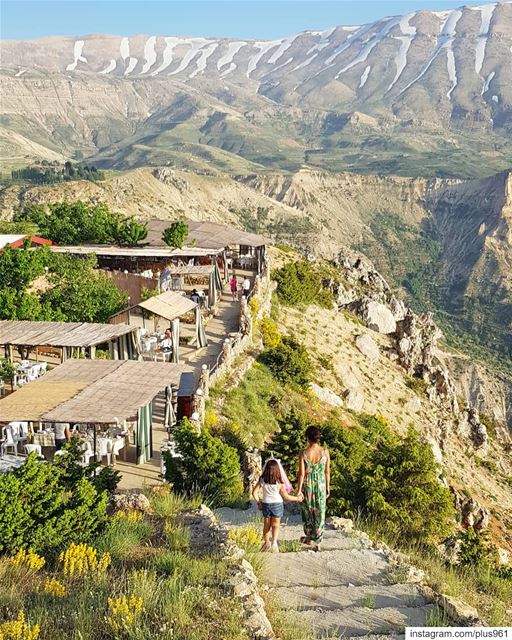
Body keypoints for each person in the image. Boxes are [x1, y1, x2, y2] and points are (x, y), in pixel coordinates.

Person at [252, 459, 303, 552]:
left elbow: (254, 492)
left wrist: (258, 502)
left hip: (266, 504)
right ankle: (274, 542)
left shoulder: (262, 480)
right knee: (276, 525)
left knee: (266, 525)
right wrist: (297, 498)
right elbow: (286, 497)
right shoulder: (279, 482)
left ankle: (266, 542)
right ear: (277, 470)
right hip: (277, 504)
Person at [296, 426, 330, 551]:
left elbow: (301, 473)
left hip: (308, 485)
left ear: (307, 438)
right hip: (320, 485)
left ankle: (310, 537)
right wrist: (327, 487)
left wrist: (299, 490)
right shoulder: (325, 452)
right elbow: (327, 471)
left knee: (308, 511)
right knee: (320, 512)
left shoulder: (304, 453)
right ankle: (318, 541)